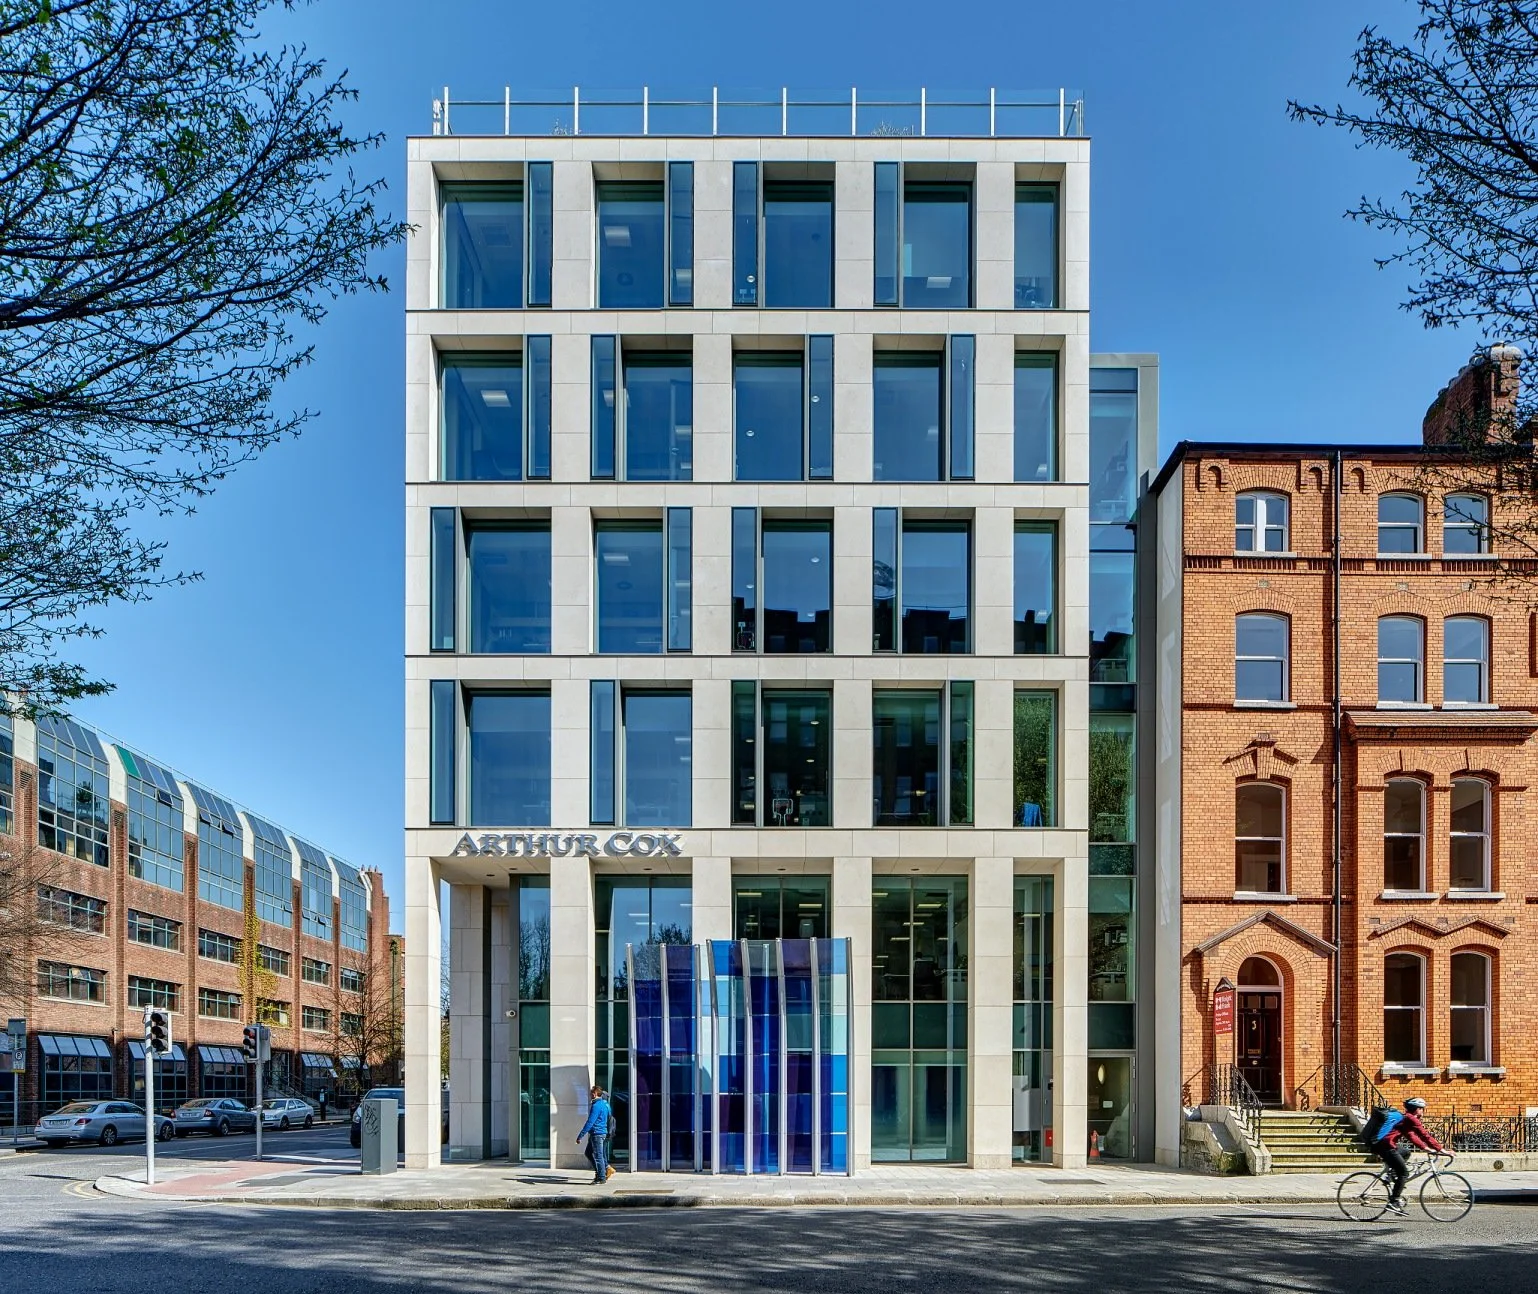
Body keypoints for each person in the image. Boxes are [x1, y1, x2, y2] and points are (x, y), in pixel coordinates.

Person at [1372, 1096, 1444, 1214]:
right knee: (1404, 1173)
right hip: (1385, 1146)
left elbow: (1412, 1136)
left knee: (1406, 1152)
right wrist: (1441, 1149)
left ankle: (1392, 1175)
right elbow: (1424, 1135)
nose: (1423, 1111)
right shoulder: (1411, 1118)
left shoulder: (1405, 1119)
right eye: (1422, 1109)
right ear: (1417, 1109)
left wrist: (1425, 1148)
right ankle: (1393, 1202)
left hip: (1385, 1144)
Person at [576, 1085, 612, 1185]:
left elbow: (590, 1122)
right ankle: (600, 1173)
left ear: (595, 1093)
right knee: (589, 1153)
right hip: (601, 1133)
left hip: (597, 1133)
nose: (590, 1095)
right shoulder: (604, 1104)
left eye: (591, 1093)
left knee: (598, 1156)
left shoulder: (596, 1106)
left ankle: (601, 1177)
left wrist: (580, 1136)